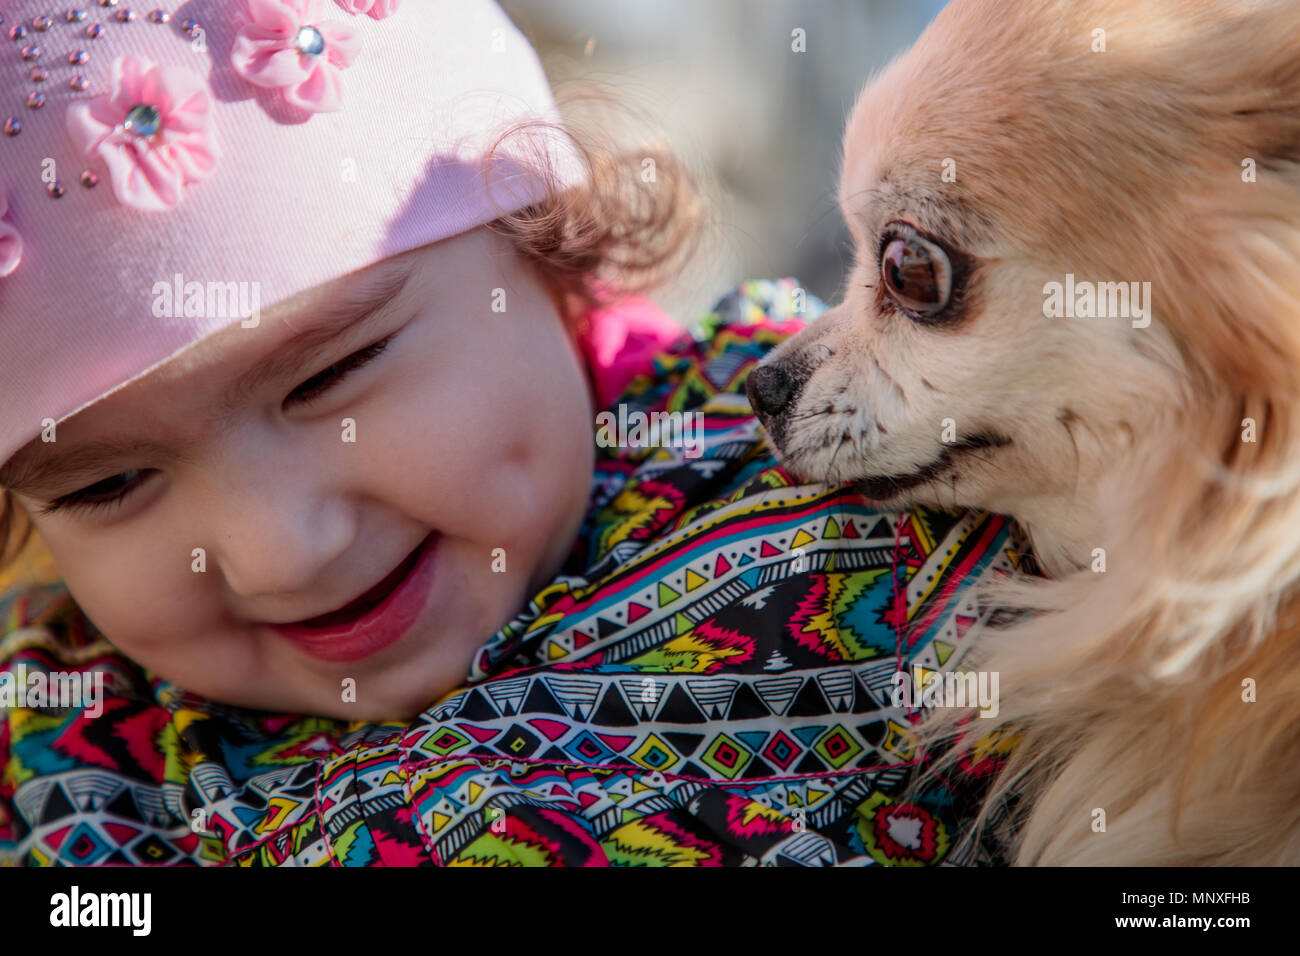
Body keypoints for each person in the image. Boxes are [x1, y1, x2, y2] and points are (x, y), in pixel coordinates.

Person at [0, 0, 1020, 866]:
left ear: (553, 252)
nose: (279, 550)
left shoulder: (859, 480)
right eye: (107, 483)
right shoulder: (66, 759)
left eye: (334, 375)